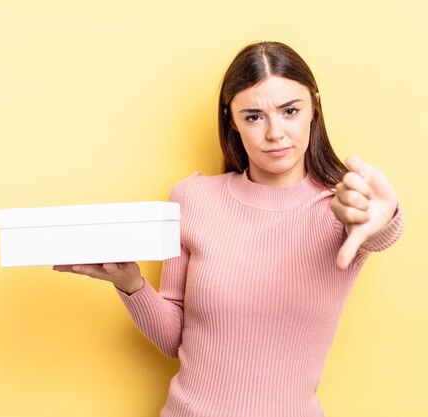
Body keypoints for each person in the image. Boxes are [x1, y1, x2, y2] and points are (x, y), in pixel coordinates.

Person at [53, 41, 404, 417]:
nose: (275, 133)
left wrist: (384, 217)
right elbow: (175, 339)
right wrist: (131, 285)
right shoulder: (192, 198)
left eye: (290, 111)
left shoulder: (340, 210)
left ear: (314, 109)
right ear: (232, 121)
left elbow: (379, 231)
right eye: (254, 116)